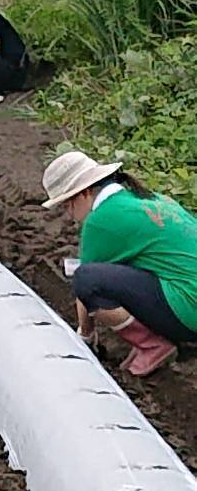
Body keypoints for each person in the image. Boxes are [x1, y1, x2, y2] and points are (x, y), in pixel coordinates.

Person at [43, 150, 197, 376]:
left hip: (190, 309)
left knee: (87, 278)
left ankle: (153, 345)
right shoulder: (154, 199)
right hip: (187, 293)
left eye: (67, 205)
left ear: (84, 193)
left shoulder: (101, 220)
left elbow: (86, 285)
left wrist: (85, 336)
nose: (69, 215)